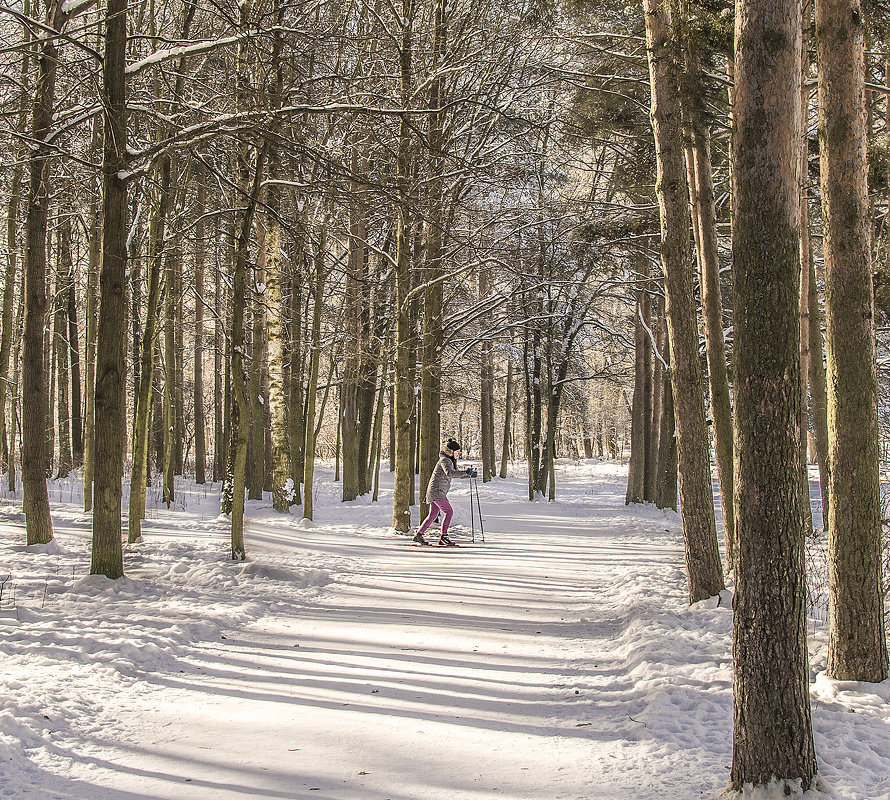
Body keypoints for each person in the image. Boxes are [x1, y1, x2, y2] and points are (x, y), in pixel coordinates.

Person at [413, 438, 477, 546]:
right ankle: (444, 537)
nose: (459, 453)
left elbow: (454, 473)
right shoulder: (445, 460)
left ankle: (419, 534)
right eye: (457, 452)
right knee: (449, 512)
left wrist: (468, 475)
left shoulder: (448, 460)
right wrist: (466, 472)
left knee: (433, 515)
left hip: (437, 491)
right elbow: (450, 473)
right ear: (451, 452)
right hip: (436, 491)